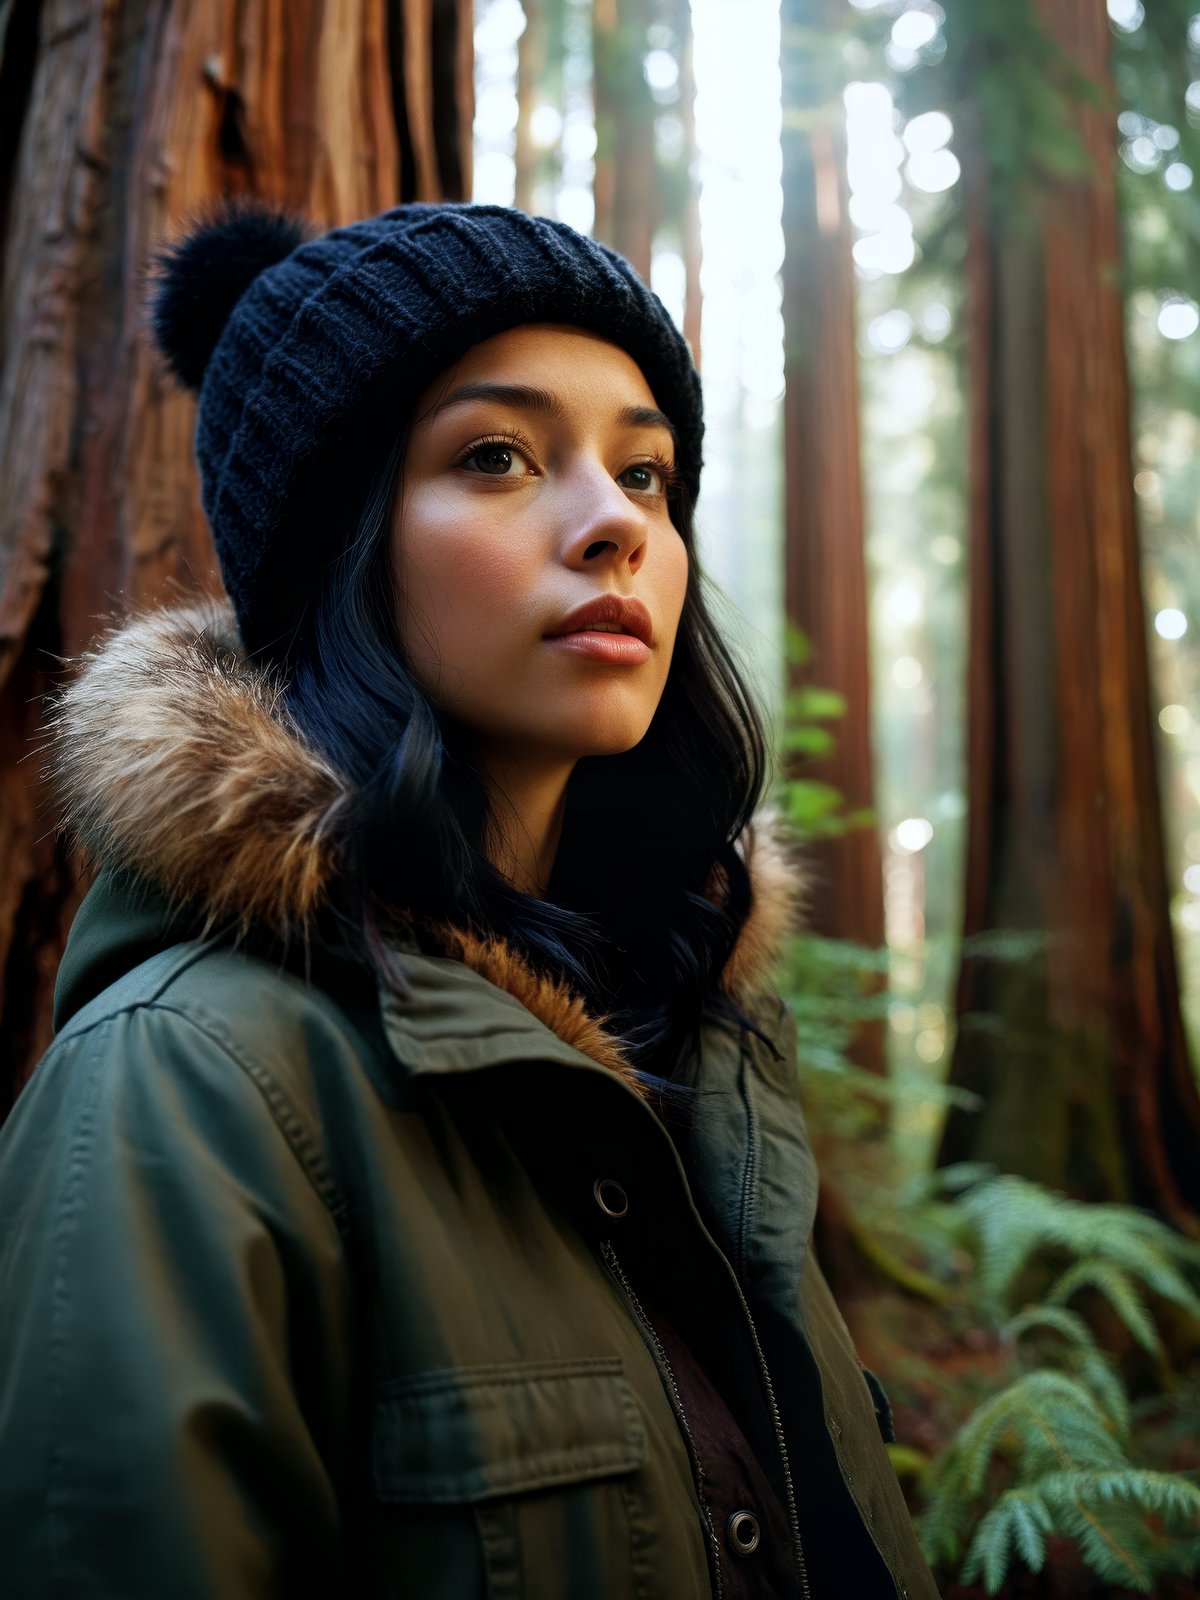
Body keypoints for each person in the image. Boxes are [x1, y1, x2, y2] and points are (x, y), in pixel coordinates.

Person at [0, 201, 939, 1599]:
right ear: (343, 546)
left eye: (648, 472)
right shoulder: (183, 1088)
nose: (614, 524)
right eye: (497, 456)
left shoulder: (696, 1027)